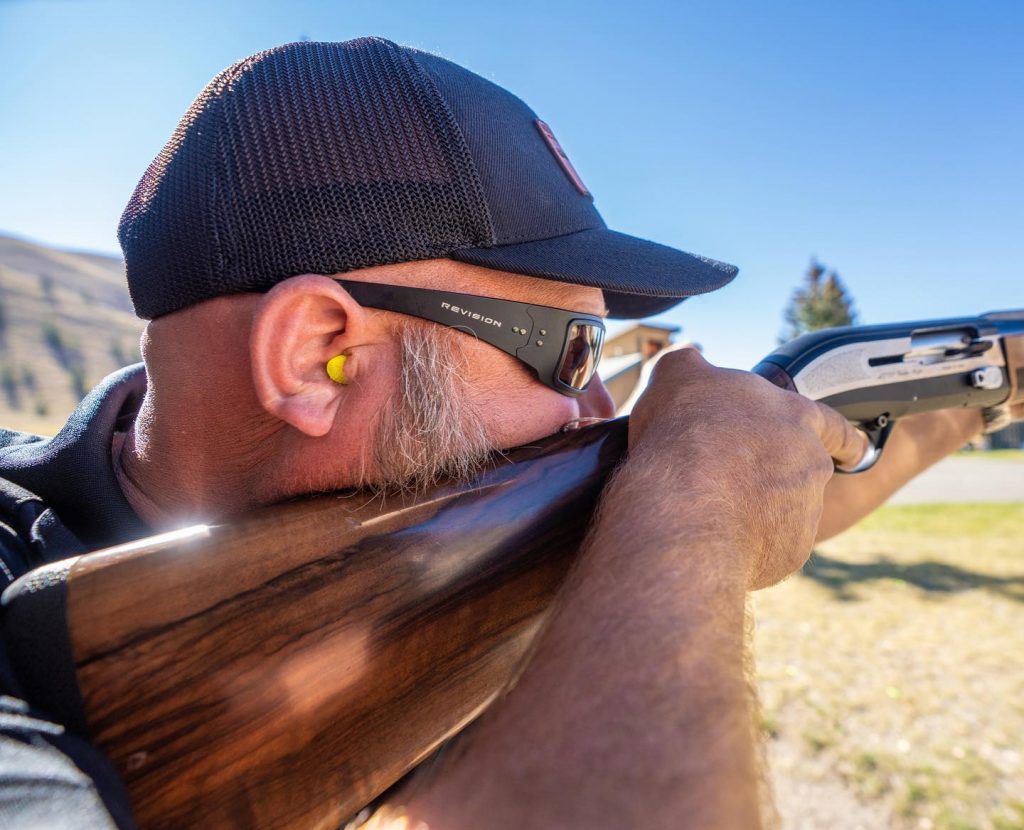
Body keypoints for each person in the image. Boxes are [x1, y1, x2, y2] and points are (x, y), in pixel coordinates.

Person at [0, 38, 1004, 830]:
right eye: (572, 351)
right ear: (318, 353)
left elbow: (784, 492)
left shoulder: (410, 547)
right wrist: (684, 505)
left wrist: (980, 394)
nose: (602, 410)